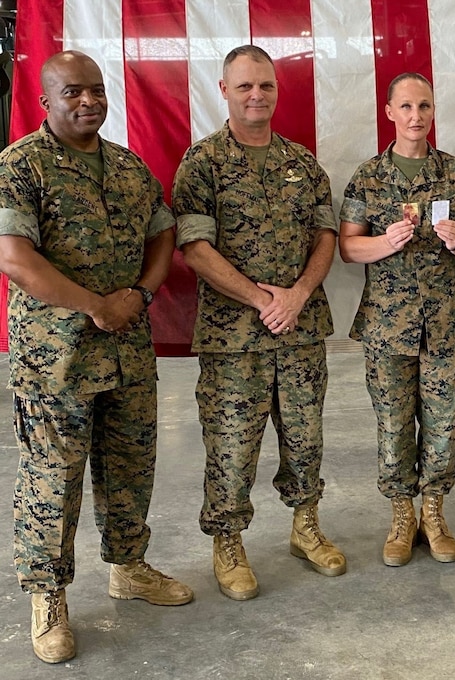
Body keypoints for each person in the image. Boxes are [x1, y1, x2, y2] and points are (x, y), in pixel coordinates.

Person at [0, 51, 192, 665]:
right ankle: (48, 597)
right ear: (46, 102)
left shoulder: (129, 167)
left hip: (127, 352)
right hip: (56, 360)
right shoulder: (20, 166)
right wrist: (94, 306)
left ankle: (129, 567)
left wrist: (138, 294)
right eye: (74, 93)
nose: (89, 102)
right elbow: (14, 258)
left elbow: (163, 230)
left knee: (131, 464)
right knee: (53, 480)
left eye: (97, 92)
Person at [172, 45, 345, 600]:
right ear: (224, 90)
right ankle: (227, 542)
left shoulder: (302, 162)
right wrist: (260, 299)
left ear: (276, 90)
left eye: (265, 86)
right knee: (231, 445)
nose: (256, 95)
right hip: (233, 340)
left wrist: (296, 294)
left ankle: (305, 526)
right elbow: (194, 247)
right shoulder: (202, 164)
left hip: (299, 330)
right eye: (244, 86)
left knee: (305, 437)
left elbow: (326, 235)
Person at [339, 72, 455, 567]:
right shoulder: (368, 176)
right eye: (406, 107)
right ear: (390, 112)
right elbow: (347, 246)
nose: (415, 116)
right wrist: (385, 243)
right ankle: (402, 515)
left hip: (445, 325)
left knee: (444, 425)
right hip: (387, 327)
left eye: (423, 106)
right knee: (395, 426)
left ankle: (434, 511)